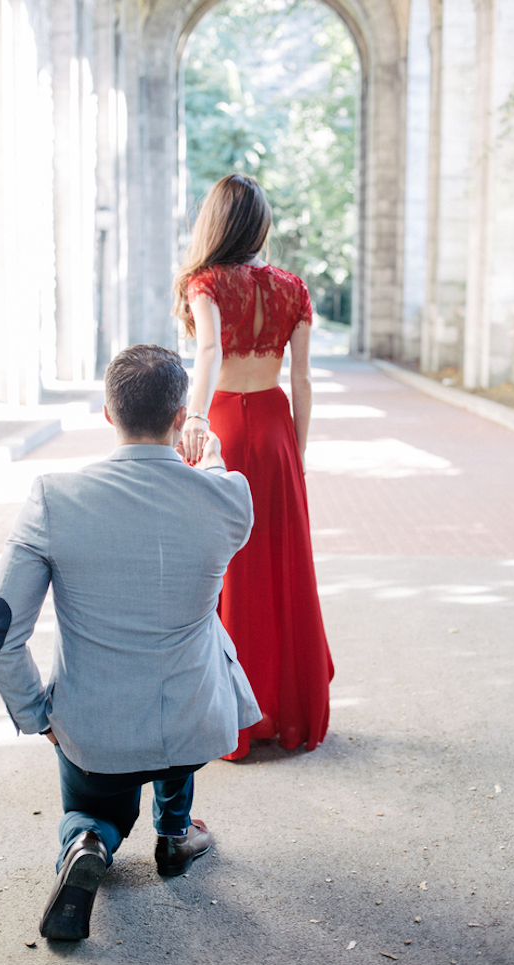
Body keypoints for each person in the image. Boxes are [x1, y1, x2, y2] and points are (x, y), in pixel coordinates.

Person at [0, 344, 260, 941]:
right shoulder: (228, 497)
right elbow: (218, 487)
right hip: (195, 724)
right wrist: (209, 459)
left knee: (95, 803)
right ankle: (176, 835)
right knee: (178, 703)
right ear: (182, 417)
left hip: (96, 729)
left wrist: (35, 714)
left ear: (108, 414)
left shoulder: (54, 499)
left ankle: (89, 841)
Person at [172, 173, 334, 761]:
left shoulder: (205, 282)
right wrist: (299, 447)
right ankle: (287, 711)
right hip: (276, 427)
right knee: (283, 562)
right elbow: (303, 378)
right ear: (260, 225)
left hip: (227, 430)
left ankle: (231, 718)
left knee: (227, 566)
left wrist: (194, 420)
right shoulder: (294, 288)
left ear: (215, 222)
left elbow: (209, 352)